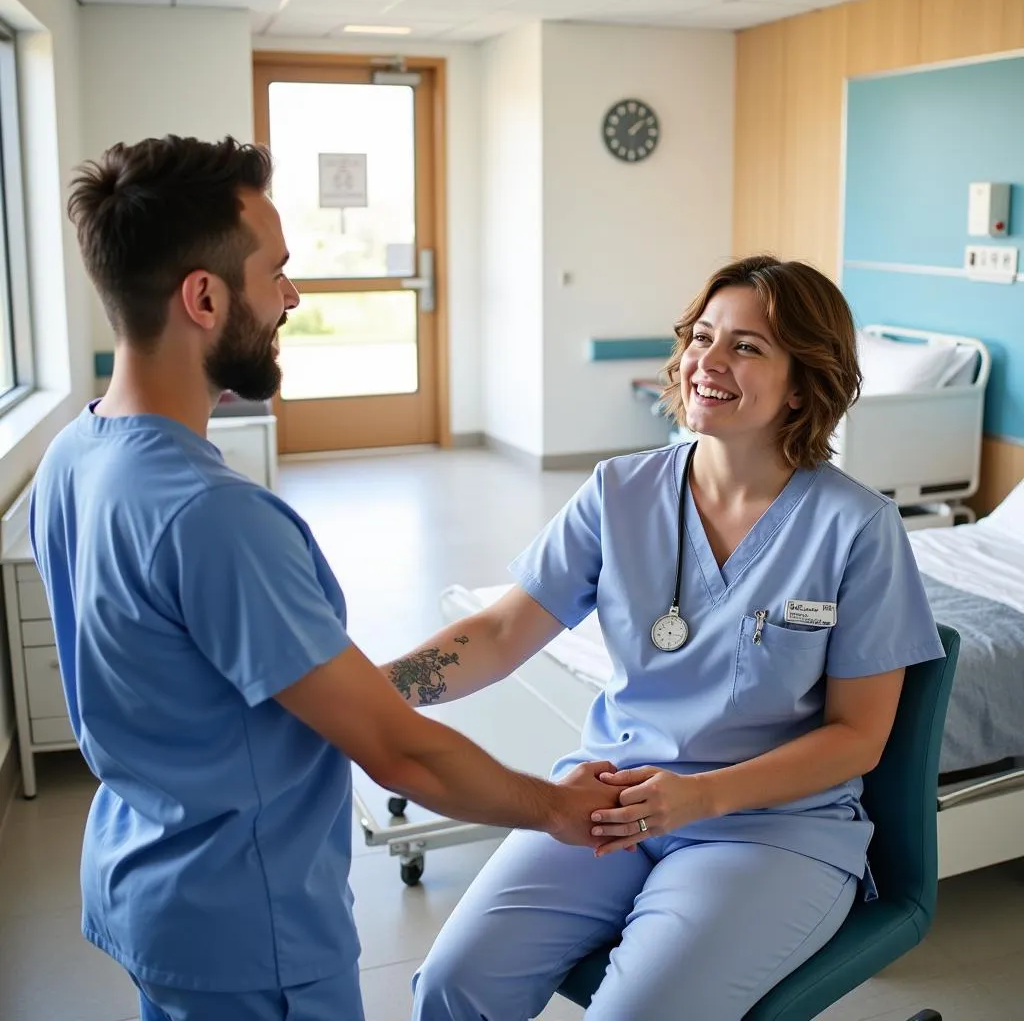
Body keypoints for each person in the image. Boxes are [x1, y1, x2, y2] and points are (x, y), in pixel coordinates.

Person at [28, 134, 622, 1021]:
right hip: (249, 926)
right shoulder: (214, 515)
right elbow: (399, 751)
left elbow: (213, 681)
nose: (291, 296)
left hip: (147, 884)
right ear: (203, 296)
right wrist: (555, 806)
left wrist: (372, 690)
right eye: (277, 272)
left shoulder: (72, 457)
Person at [384, 255, 946, 1020]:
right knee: (455, 983)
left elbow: (857, 738)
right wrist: (374, 693)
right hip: (609, 797)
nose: (706, 363)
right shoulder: (620, 492)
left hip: (769, 828)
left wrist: (701, 796)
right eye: (702, 337)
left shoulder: (857, 530)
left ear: (804, 381)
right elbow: (498, 631)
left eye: (747, 347)